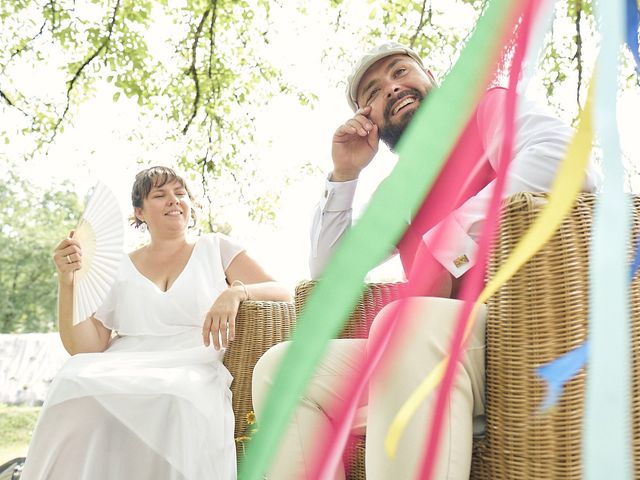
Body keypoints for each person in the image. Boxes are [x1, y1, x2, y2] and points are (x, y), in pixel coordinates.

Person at [252, 43, 601, 479]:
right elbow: (328, 270)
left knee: (406, 323)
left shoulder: (486, 109)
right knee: (279, 369)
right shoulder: (401, 190)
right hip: (423, 341)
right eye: (374, 93)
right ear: (371, 122)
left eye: (400, 71)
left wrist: (447, 243)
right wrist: (345, 174)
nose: (393, 87)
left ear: (429, 77)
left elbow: (568, 160)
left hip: (517, 326)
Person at [21, 166, 291, 480]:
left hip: (193, 363)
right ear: (139, 211)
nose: (174, 201)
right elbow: (86, 347)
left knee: (176, 395)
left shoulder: (215, 248)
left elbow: (283, 292)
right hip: (123, 362)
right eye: (160, 195)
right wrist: (67, 281)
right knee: (72, 380)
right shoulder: (117, 266)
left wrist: (236, 292)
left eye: (180, 194)